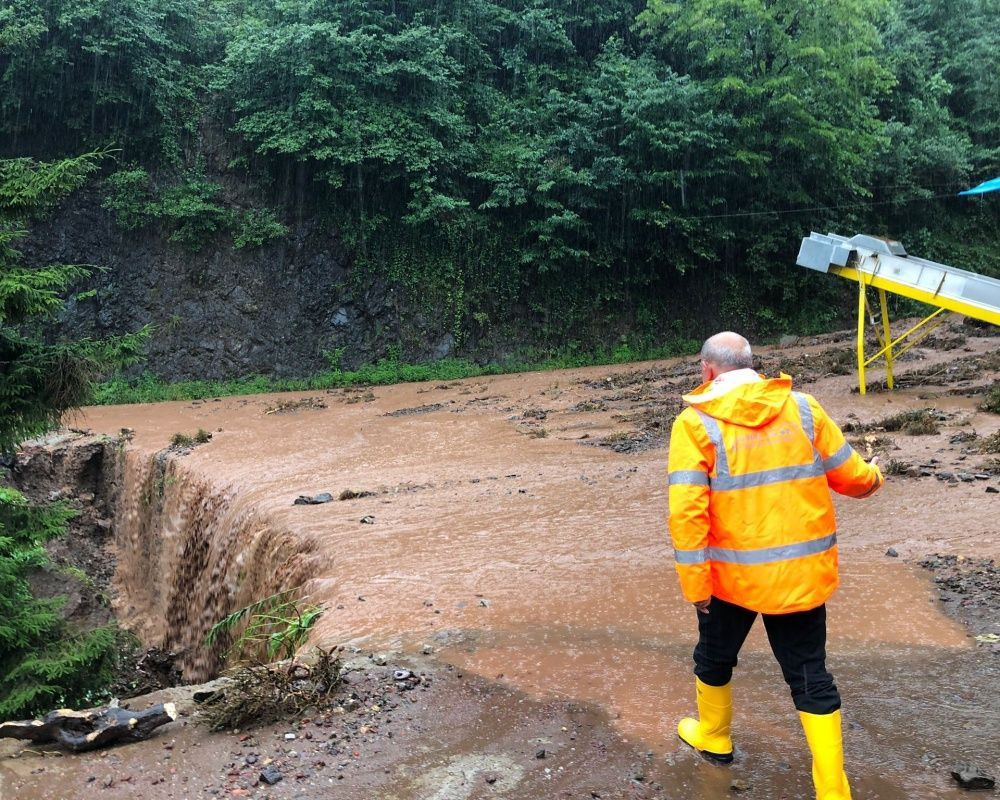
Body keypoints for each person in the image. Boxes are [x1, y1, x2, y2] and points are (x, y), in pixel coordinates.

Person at [667, 331, 883, 800]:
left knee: (714, 658)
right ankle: (832, 790)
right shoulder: (803, 408)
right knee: (810, 676)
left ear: (707, 370)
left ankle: (715, 736)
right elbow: (852, 476)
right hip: (800, 578)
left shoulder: (695, 423)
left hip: (732, 580)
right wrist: (875, 476)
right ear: (752, 364)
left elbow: (686, 514)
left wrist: (694, 584)